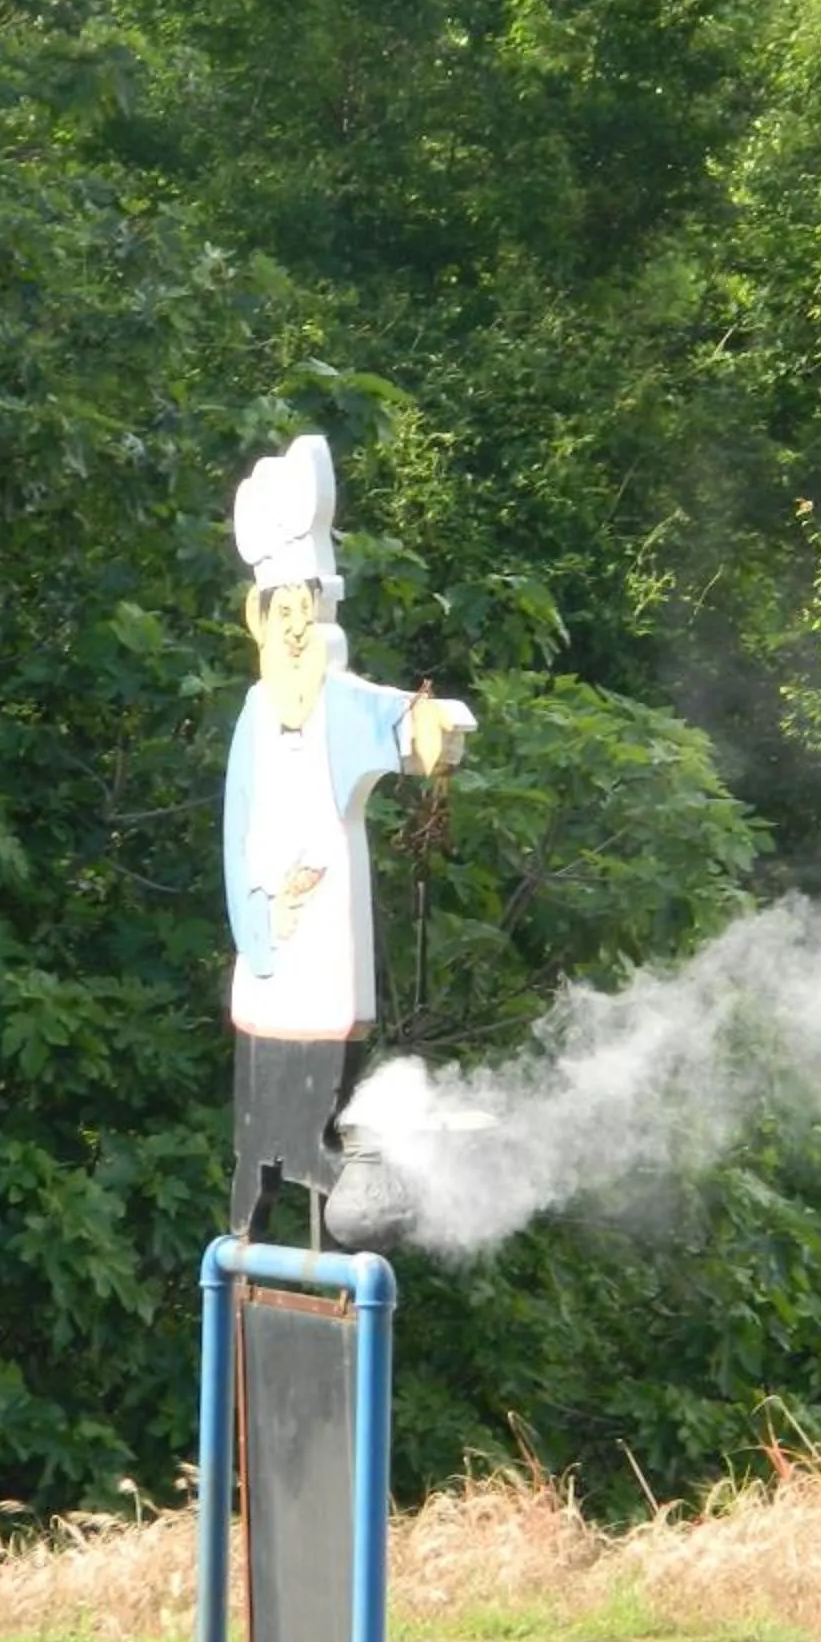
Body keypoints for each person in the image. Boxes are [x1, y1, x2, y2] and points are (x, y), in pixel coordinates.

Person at [222, 435, 469, 1240]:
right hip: (266, 965)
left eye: (305, 612)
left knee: (311, 1118)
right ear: (260, 620)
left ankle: (333, 1203)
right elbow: (235, 839)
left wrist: (429, 726)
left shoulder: (337, 705)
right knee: (257, 1139)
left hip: (324, 970)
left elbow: (407, 724)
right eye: (280, 613)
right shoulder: (256, 716)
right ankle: (247, 1237)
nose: (294, 630)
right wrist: (258, 930)